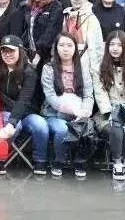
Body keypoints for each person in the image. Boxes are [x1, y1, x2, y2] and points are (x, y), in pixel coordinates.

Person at [0, 35, 48, 174]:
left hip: (27, 112)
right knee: (15, 127)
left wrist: (12, 122)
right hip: (6, 110)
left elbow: (24, 100)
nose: (7, 54)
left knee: (41, 125)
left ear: (20, 51)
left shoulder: (29, 72)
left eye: (11, 51)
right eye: (4, 51)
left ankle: (40, 161)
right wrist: (12, 123)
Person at [41, 33, 94, 177]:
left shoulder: (82, 68)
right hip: (54, 113)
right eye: (62, 45)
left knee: (85, 127)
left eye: (69, 45)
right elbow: (51, 97)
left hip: (79, 112)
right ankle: (58, 161)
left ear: (75, 48)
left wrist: (84, 111)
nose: (65, 49)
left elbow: (88, 95)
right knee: (63, 129)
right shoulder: (48, 68)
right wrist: (74, 110)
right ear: (56, 48)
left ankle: (79, 162)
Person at [94, 31, 125, 181]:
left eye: (119, 45)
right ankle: (117, 162)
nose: (115, 48)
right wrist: (110, 114)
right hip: (108, 112)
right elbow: (100, 94)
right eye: (112, 44)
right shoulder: (100, 68)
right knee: (116, 128)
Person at [7, 0, 62, 66]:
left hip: (46, 56)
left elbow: (51, 32)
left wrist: (38, 54)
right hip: (27, 53)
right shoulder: (25, 6)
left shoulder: (55, 7)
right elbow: (20, 30)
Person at [63, 0, 104, 86]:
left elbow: (96, 47)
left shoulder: (91, 18)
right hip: (66, 59)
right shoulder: (66, 15)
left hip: (85, 62)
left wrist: (95, 69)